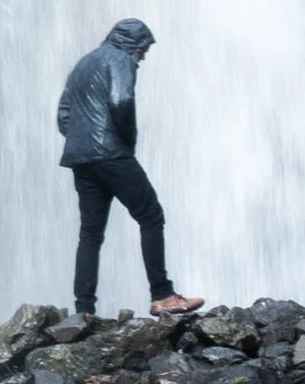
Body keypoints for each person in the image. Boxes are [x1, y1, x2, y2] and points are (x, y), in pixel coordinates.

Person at [56, 17, 201, 317]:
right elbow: (121, 100)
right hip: (111, 154)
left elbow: (64, 115)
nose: (143, 56)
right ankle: (162, 294)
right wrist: (126, 138)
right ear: (131, 43)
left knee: (90, 234)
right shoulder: (120, 58)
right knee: (151, 215)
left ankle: (84, 310)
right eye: (143, 48)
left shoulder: (83, 64)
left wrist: (81, 140)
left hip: (81, 159)